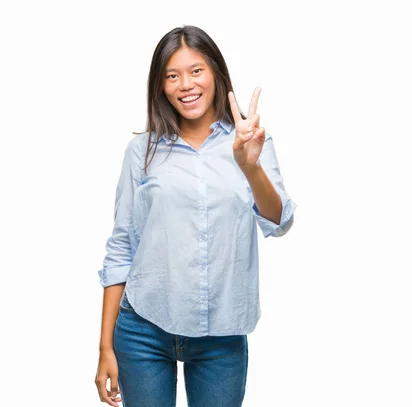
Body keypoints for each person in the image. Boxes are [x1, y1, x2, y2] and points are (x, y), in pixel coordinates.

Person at [94, 25, 296, 407]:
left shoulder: (251, 141)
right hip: (143, 331)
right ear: (161, 86)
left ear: (216, 74)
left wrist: (249, 166)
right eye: (172, 75)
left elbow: (279, 222)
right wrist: (106, 346)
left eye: (196, 71)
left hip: (222, 334)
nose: (185, 84)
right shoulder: (142, 151)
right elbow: (121, 248)